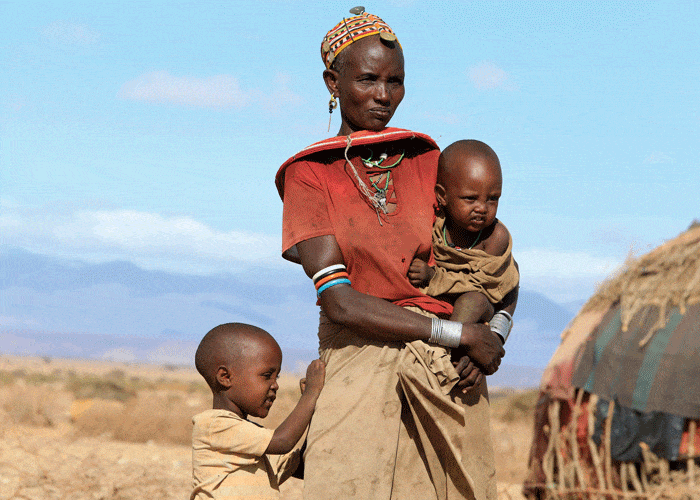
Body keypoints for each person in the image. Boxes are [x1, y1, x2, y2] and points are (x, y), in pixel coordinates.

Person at [274, 8, 503, 500]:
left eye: (395, 81)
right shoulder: (310, 174)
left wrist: (488, 339)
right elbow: (340, 302)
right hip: (357, 359)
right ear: (332, 82)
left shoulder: (427, 159)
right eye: (368, 80)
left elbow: (491, 269)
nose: (384, 95)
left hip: (446, 370)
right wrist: (458, 333)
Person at [408, 140, 520, 389]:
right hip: (440, 313)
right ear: (442, 197)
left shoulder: (495, 237)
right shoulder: (435, 226)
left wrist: (433, 277)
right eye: (470, 199)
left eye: (493, 199)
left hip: (482, 308)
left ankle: (445, 360)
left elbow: (484, 285)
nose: (482, 208)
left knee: (472, 300)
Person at [191, 323, 325, 500]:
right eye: (266, 375)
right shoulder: (213, 425)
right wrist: (311, 394)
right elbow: (283, 441)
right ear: (225, 377)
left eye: (276, 377)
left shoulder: (251, 444)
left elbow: (300, 466)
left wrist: (315, 409)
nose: (275, 385)